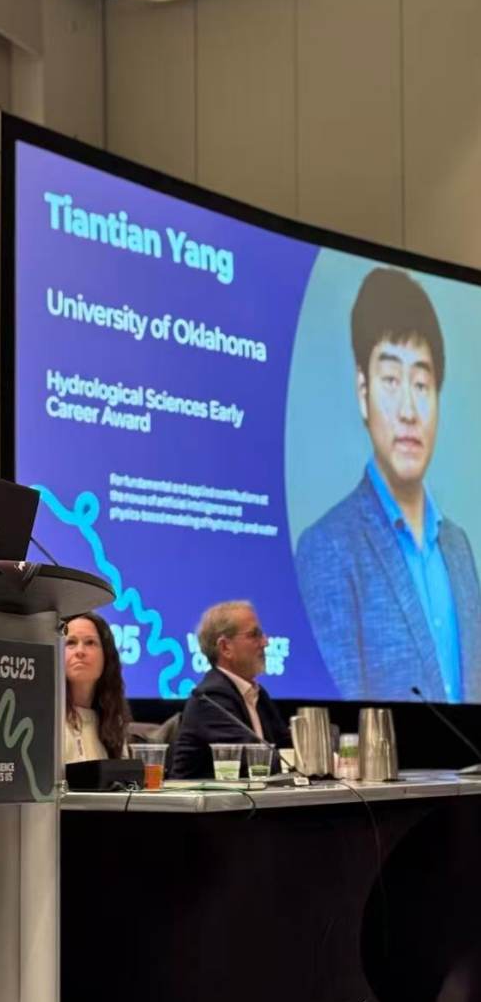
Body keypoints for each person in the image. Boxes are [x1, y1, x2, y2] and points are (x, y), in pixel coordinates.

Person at [295, 267, 481, 702]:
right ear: (363, 391)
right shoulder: (328, 546)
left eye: (421, 383)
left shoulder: (458, 546)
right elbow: (341, 709)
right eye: (392, 381)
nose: (408, 410)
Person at [171, 601, 289, 780]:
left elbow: (287, 748)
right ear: (225, 648)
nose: (265, 642)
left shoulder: (259, 695)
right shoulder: (211, 698)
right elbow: (256, 762)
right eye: (254, 635)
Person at [63, 612, 130, 763]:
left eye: (90, 643)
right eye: (71, 643)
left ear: (106, 657)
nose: (80, 651)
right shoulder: (46, 719)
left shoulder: (113, 721)